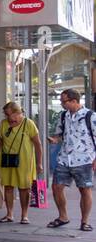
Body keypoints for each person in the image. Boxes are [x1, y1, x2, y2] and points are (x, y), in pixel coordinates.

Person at [47, 88, 96, 231]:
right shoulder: (63, 116)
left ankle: (84, 221)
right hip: (64, 158)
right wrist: (55, 139)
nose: (62, 104)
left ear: (74, 101)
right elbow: (59, 134)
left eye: (64, 101)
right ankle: (63, 217)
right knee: (56, 187)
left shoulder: (91, 116)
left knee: (85, 190)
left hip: (84, 159)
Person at [0, 101, 42, 224]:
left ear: (18, 113)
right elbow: (0, 142)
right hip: (7, 159)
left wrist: (39, 163)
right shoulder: (4, 124)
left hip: (24, 161)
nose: (9, 118)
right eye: (6, 115)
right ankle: (9, 214)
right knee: (8, 187)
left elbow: (38, 144)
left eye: (10, 115)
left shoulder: (28, 123)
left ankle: (24, 215)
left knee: (24, 188)